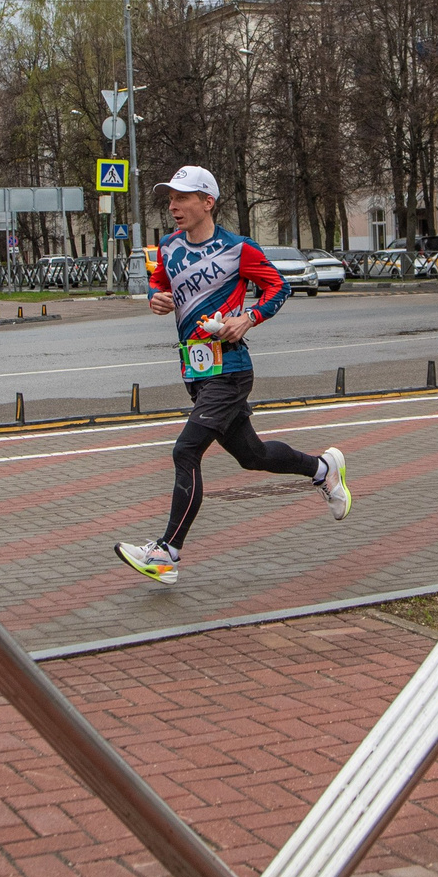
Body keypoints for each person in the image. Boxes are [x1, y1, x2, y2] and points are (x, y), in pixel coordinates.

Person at [115, 165, 350, 584]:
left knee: (185, 451)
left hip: (231, 370)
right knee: (251, 456)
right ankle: (322, 470)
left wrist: (250, 318)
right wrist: (156, 297)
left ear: (207, 202)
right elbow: (157, 281)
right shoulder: (169, 247)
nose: (173, 206)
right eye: (170, 198)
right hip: (196, 369)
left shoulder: (239, 249)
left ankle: (166, 552)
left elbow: (280, 287)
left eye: (182, 198)